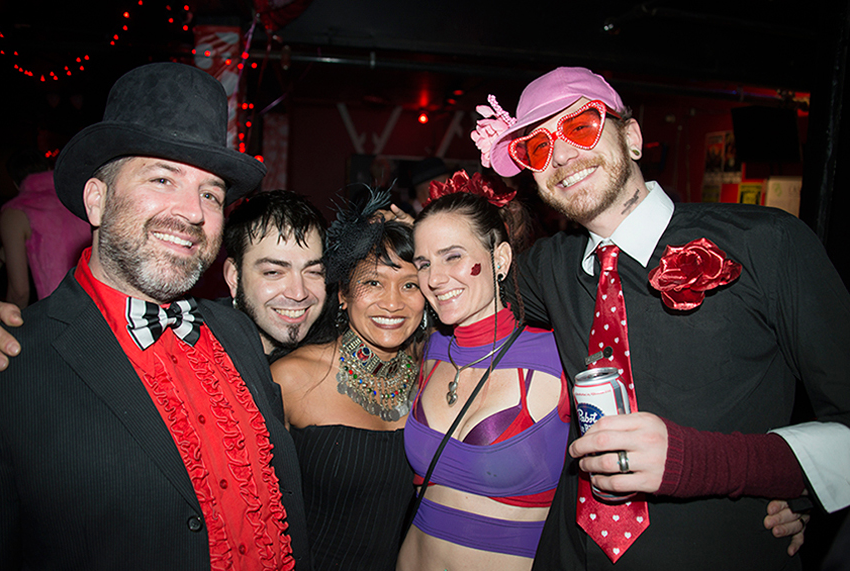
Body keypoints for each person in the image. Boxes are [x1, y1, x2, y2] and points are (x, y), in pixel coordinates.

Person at [471, 66, 850, 570]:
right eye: (538, 148)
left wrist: (786, 482)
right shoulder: (547, 267)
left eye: (581, 126)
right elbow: (453, 292)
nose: (560, 155)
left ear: (632, 137)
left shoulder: (768, 243)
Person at [0, 62, 309, 570]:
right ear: (97, 200)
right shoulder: (13, 362)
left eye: (211, 194)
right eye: (163, 178)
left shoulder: (236, 331)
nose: (193, 212)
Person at [398, 173, 570, 571]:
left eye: (453, 256)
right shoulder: (431, 350)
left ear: (500, 259)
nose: (434, 279)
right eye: (424, 263)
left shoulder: (558, 358)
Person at [270, 188, 425, 570]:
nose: (393, 303)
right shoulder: (291, 378)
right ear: (342, 293)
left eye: (410, 285)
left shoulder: (433, 374)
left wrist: (426, 236)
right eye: (373, 282)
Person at [222, 189, 328, 362]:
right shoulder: (197, 356)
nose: (299, 293)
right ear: (234, 277)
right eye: (273, 272)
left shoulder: (335, 353)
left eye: (313, 272)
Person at [0, 148, 91, 307]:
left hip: (58, 311)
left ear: (14, 182)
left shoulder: (16, 212)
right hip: (99, 305)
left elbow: (19, 293)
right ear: (49, 168)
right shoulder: (78, 198)